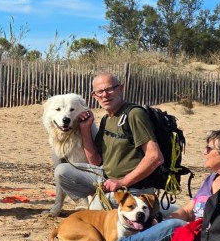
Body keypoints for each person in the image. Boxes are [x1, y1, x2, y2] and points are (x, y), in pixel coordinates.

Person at [75, 128, 220, 241]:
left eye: (209, 149)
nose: (204, 152)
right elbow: (187, 211)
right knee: (166, 222)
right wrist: (160, 222)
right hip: (196, 238)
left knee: (176, 227)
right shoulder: (212, 180)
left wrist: (188, 227)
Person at [54, 72, 163, 207]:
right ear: (94, 96)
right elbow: (96, 161)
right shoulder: (107, 119)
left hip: (133, 187)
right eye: (100, 92)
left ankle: (107, 204)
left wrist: (122, 182)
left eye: (109, 89)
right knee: (62, 171)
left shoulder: (134, 114)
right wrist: (85, 130)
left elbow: (155, 157)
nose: (105, 95)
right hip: (107, 179)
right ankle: (96, 201)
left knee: (95, 214)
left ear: (121, 88)